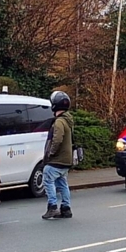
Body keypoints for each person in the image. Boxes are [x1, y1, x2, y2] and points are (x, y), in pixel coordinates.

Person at [41, 90, 74, 220]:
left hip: (58, 159)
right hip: (67, 159)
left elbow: (57, 139)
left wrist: (50, 153)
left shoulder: (59, 121)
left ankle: (52, 207)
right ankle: (66, 209)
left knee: (47, 178)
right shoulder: (68, 120)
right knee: (62, 183)